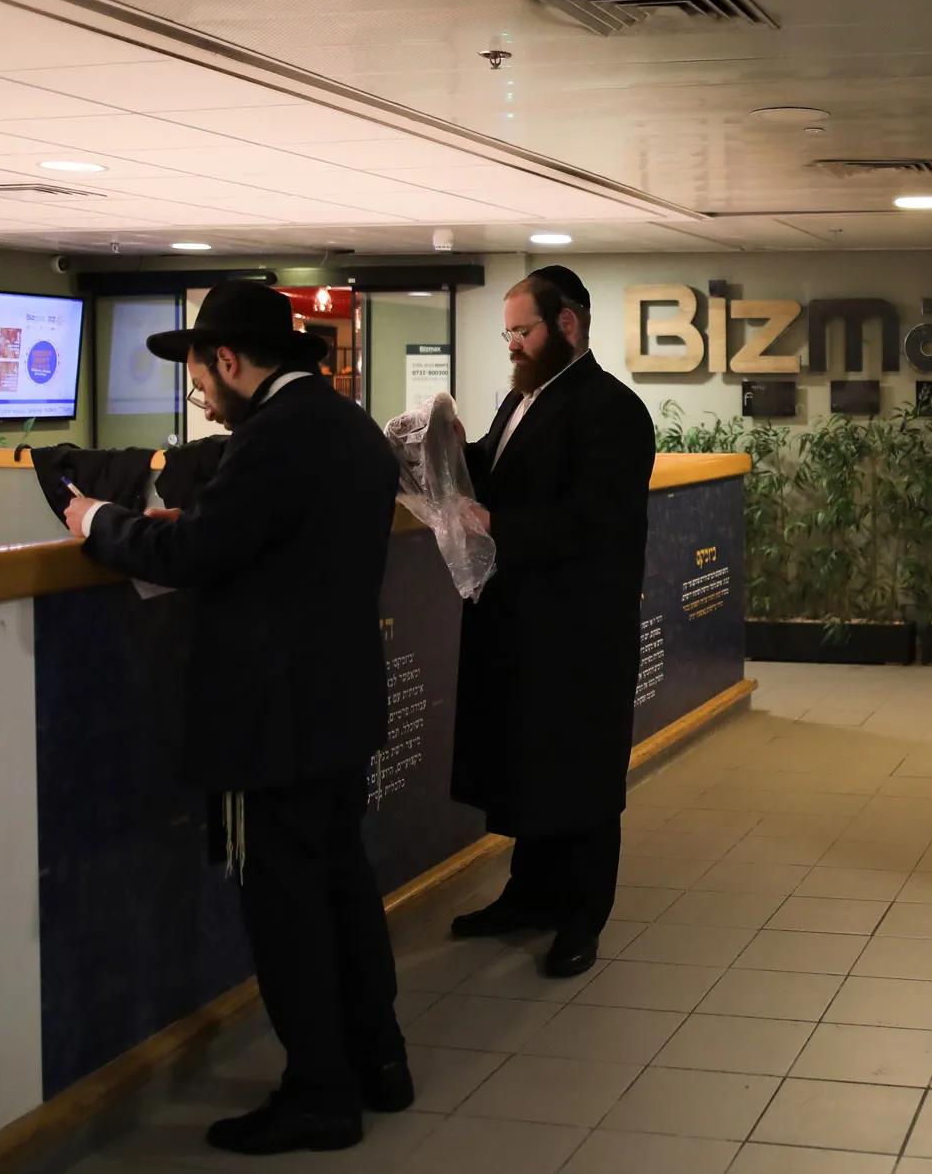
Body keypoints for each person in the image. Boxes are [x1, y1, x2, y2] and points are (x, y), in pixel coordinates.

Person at [62, 279, 410, 1155]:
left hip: (273, 722)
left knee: (288, 906)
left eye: (198, 374)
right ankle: (380, 1061)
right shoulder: (347, 427)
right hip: (336, 707)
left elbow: (191, 552)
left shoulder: (274, 440)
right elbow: (270, 542)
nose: (197, 395)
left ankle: (320, 1094)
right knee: (341, 886)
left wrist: (99, 518)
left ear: (228, 360)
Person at [447, 265, 656, 978]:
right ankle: (528, 895)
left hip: (580, 633)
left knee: (583, 779)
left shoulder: (612, 409)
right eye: (507, 332)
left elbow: (595, 519)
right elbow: (492, 469)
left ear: (567, 324)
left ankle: (580, 917)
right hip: (521, 626)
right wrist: (445, 448)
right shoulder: (521, 402)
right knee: (530, 767)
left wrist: (499, 525)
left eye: (522, 330)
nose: (513, 344)